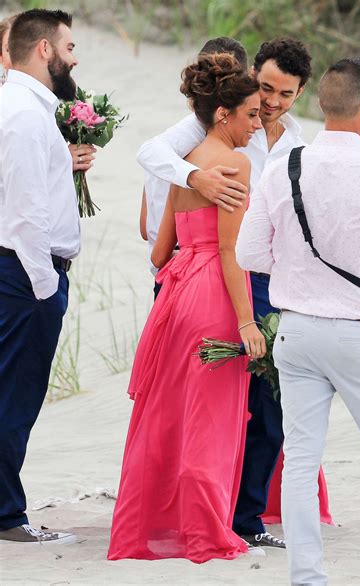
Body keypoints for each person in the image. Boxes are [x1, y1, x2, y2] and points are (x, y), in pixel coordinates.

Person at [236, 58, 360, 585]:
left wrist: (297, 270)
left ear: (320, 105)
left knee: (299, 460)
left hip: (296, 333)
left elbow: (250, 252)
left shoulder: (282, 168)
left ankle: (307, 578)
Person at [136, 37, 332, 548]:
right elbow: (150, 154)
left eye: (284, 95)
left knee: (264, 404)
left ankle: (243, 514)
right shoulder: (212, 139)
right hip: (227, 280)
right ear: (250, 77)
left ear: (299, 94)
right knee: (209, 405)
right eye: (264, 89)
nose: (271, 103)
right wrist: (194, 177)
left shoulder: (298, 142)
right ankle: (214, 516)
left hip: (269, 281)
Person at [108, 53, 265, 563]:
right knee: (211, 418)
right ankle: (205, 531)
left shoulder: (186, 165)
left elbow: (158, 251)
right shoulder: (234, 163)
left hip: (174, 294)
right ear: (225, 114)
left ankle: (148, 526)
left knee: (166, 414)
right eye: (251, 114)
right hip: (215, 295)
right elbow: (229, 252)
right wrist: (247, 321)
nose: (256, 125)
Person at [0, 8, 81, 545]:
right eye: (69, 47)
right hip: (25, 276)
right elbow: (26, 212)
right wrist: (45, 286)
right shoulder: (26, 115)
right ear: (45, 50)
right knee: (14, 397)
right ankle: (7, 516)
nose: (76, 58)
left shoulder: (22, 107)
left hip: (20, 273)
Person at [138, 37, 249, 299]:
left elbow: (145, 227)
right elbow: (146, 151)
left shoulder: (184, 137)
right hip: (191, 271)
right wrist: (196, 178)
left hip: (170, 267)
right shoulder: (192, 133)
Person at [0, 14, 96, 170]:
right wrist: (61, 161)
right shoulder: (22, 110)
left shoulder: (47, 96)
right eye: (11, 49)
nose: (20, 53)